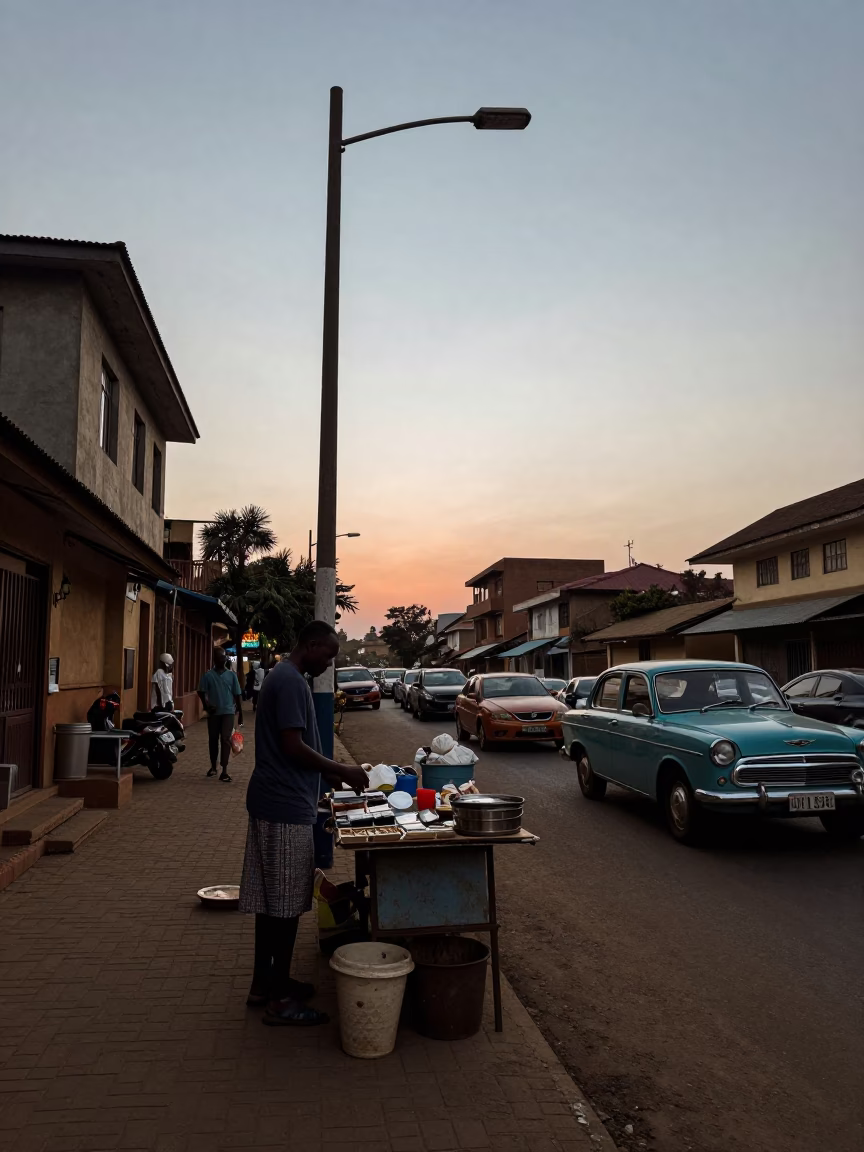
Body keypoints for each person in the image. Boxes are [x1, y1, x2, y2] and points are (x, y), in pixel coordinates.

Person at [239, 619, 367, 1026]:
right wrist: (341, 770)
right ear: (310, 646)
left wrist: (328, 776)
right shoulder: (291, 680)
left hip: (276, 800)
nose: (329, 664)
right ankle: (280, 1001)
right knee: (287, 906)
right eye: (327, 655)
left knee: (270, 901)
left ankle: (267, 983)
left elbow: (296, 744)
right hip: (283, 807)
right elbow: (293, 747)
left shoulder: (285, 675)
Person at [198, 647, 243, 782]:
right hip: (214, 713)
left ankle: (224, 770)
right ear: (214, 660)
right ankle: (213, 766)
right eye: (218, 658)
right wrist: (206, 706)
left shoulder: (231, 675)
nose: (221, 660)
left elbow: (237, 694)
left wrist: (240, 713)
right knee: (213, 739)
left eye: (223, 658)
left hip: (228, 712)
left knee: (225, 739)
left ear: (225, 659)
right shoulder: (208, 676)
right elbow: (201, 691)